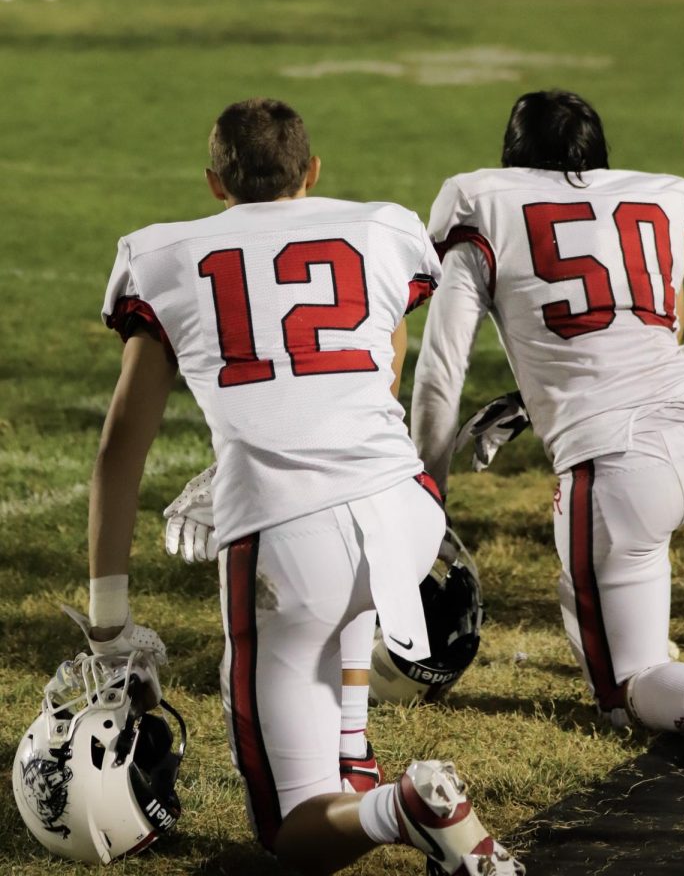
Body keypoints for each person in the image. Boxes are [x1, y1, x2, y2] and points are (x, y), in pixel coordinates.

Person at [79, 97, 521, 876]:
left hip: (290, 537)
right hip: (406, 512)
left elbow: (122, 447)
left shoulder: (163, 253)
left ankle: (403, 805)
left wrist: (110, 623)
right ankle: (353, 754)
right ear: (313, 173)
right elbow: (382, 372)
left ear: (214, 183)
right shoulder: (381, 228)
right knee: (337, 619)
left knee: (290, 833)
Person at [410, 88, 684, 756]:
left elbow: (440, 373)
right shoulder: (657, 198)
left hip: (622, 469)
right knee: (636, 548)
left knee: (625, 695)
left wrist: (423, 509)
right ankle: (652, 641)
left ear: (511, 158)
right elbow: (640, 332)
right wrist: (539, 398)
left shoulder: (483, 204)